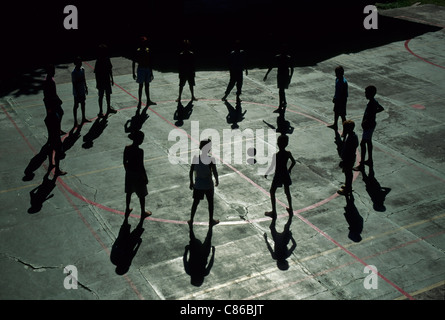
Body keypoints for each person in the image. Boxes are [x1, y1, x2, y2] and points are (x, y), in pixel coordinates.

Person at [189, 139, 220, 226]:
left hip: (198, 184)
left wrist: (191, 182)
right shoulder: (211, 159)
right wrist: (217, 180)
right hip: (208, 184)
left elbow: (191, 171)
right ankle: (211, 220)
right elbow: (214, 171)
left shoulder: (195, 158)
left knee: (195, 202)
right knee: (210, 203)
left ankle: (191, 219)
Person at [264, 134, 296, 218]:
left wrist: (267, 172)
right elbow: (294, 162)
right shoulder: (288, 153)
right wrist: (289, 169)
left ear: (278, 144)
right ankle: (291, 208)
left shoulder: (276, 155)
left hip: (278, 174)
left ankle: (274, 211)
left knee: (272, 191)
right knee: (287, 191)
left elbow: (272, 166)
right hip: (285, 173)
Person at [353, 85, 384, 171]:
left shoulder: (371, 103)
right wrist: (374, 113)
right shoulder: (373, 101)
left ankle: (361, 164)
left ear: (370, 94)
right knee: (368, 142)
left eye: (366, 93)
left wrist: (367, 120)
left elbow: (373, 113)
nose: (365, 94)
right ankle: (370, 160)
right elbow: (381, 108)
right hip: (371, 125)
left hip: (369, 126)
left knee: (363, 143)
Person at [123, 130, 152, 222]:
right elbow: (141, 166)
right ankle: (143, 211)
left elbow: (124, 162)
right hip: (137, 174)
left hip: (129, 173)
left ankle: (127, 208)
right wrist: (145, 177)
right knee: (142, 195)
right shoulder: (140, 151)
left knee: (129, 192)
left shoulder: (127, 148)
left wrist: (127, 171)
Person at [263, 44, 293, 112]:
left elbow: (271, 66)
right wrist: (290, 77)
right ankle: (284, 102)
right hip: (284, 75)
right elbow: (292, 68)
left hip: (281, 75)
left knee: (281, 90)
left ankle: (280, 106)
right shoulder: (287, 58)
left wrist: (266, 74)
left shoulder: (279, 57)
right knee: (282, 90)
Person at [132, 36, 156, 108]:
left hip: (147, 69)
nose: (144, 43)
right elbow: (133, 61)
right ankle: (139, 101)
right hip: (141, 69)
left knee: (147, 85)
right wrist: (133, 72)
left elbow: (150, 62)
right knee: (141, 86)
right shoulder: (138, 50)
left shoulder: (147, 50)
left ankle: (148, 100)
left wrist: (151, 72)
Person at [94, 44, 117, 117]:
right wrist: (98, 82)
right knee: (102, 95)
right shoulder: (100, 60)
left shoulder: (106, 59)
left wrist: (112, 79)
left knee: (106, 95)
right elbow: (96, 73)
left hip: (105, 80)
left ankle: (107, 109)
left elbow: (110, 69)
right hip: (103, 80)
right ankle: (101, 111)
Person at [337, 120, 359, 196]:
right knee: (348, 173)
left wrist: (343, 160)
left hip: (348, 159)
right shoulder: (353, 136)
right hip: (351, 157)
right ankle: (347, 185)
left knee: (348, 173)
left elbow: (347, 150)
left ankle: (348, 188)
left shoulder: (350, 138)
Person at [43, 64, 65, 135]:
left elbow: (53, 92)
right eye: (52, 71)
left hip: (50, 100)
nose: (54, 72)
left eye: (54, 70)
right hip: (51, 102)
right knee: (56, 115)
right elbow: (51, 94)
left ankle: (57, 130)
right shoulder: (49, 81)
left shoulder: (48, 78)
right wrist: (57, 100)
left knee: (58, 114)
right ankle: (56, 131)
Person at [71, 56, 90, 127]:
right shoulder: (74, 72)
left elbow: (84, 79)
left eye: (81, 61)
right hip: (77, 92)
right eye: (79, 62)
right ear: (76, 63)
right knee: (76, 105)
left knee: (83, 104)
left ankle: (83, 117)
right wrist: (77, 93)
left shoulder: (82, 69)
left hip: (82, 90)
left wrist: (86, 87)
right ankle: (75, 121)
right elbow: (74, 84)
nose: (81, 63)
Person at [328, 66, 348, 130]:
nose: (336, 75)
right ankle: (335, 124)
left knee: (342, 115)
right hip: (337, 99)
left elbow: (344, 95)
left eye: (337, 73)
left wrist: (341, 102)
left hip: (342, 101)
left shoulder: (344, 82)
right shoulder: (337, 79)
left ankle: (345, 129)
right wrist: (335, 97)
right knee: (336, 112)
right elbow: (336, 90)